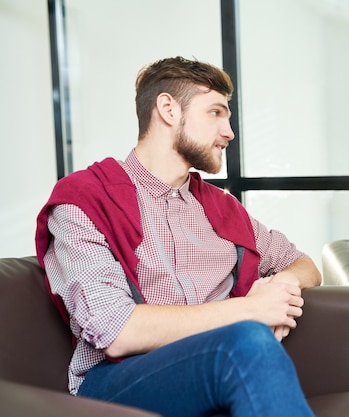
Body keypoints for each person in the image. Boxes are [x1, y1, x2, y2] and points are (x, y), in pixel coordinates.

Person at [35, 56, 321, 417]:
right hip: (117, 381)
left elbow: (303, 265)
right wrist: (250, 310)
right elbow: (116, 330)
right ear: (168, 109)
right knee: (247, 343)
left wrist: (276, 290)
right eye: (216, 113)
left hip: (212, 373)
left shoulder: (222, 209)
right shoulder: (85, 200)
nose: (229, 131)